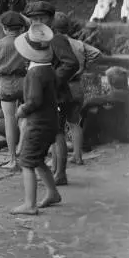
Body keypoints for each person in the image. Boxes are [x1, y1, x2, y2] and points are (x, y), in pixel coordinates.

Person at [23, 1, 80, 186]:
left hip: (57, 94)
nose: (37, 22)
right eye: (34, 19)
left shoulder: (56, 39)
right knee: (54, 133)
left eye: (42, 18)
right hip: (49, 94)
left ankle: (60, 173)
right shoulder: (38, 38)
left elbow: (71, 63)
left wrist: (52, 81)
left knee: (58, 134)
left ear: (51, 19)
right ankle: (56, 171)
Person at [10, 23, 62, 215]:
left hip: (38, 124)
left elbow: (34, 100)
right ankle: (52, 193)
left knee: (26, 162)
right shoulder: (48, 68)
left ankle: (29, 204)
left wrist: (22, 109)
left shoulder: (34, 73)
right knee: (38, 159)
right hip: (51, 121)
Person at [52, 12, 103, 165]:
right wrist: (85, 65)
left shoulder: (54, 43)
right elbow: (96, 53)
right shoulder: (78, 43)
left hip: (62, 87)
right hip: (76, 85)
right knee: (75, 123)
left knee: (58, 128)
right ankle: (78, 156)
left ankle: (57, 163)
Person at [0, 10, 28, 170]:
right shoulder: (26, 41)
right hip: (25, 82)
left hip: (6, 83)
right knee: (26, 116)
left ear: (5, 28)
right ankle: (22, 148)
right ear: (21, 28)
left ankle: (13, 159)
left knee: (9, 119)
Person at [80, 66, 129, 148]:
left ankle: (84, 142)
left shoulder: (117, 94)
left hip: (125, 134)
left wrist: (82, 113)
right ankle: (92, 140)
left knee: (92, 111)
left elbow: (89, 102)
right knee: (101, 109)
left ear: (111, 81)